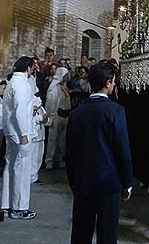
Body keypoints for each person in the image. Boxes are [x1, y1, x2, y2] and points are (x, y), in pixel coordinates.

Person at [65, 61, 133, 244]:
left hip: (83, 181)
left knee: (81, 232)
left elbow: (70, 152)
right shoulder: (116, 111)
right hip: (109, 183)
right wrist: (127, 182)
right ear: (108, 82)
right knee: (107, 234)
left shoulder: (77, 113)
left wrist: (74, 181)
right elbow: (122, 149)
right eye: (114, 81)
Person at [1, 56, 37, 220]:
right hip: (19, 132)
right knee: (21, 169)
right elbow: (20, 109)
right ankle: (19, 207)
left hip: (11, 131)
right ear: (28, 68)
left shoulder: (12, 82)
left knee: (11, 167)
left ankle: (7, 205)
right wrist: (24, 134)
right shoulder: (21, 83)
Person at [46, 66, 71, 170]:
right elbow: (51, 102)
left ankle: (59, 159)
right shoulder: (54, 88)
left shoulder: (64, 87)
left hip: (65, 115)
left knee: (62, 140)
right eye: (65, 76)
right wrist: (51, 115)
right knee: (52, 139)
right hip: (56, 115)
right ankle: (49, 161)